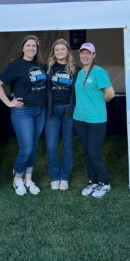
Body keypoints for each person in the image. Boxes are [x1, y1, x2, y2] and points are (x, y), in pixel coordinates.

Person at [0, 35, 46, 196]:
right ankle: (18, 178)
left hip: (40, 111)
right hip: (23, 112)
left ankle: (28, 179)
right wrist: (9, 102)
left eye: (34, 46)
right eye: (28, 45)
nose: (32, 48)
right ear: (23, 48)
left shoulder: (40, 65)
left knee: (33, 147)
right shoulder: (15, 65)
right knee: (27, 148)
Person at [73, 43, 115, 199]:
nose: (85, 55)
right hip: (79, 119)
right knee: (85, 152)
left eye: (88, 53)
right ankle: (93, 181)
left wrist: (96, 105)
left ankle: (105, 183)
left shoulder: (99, 72)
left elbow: (110, 94)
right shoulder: (78, 73)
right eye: (82, 53)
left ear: (94, 55)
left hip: (96, 120)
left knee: (94, 152)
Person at [45, 39, 79, 191]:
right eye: (57, 50)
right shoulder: (47, 68)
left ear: (67, 52)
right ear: (53, 52)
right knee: (51, 146)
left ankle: (64, 177)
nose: (59, 52)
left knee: (67, 145)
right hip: (52, 112)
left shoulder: (75, 69)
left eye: (62, 49)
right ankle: (54, 176)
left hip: (68, 111)